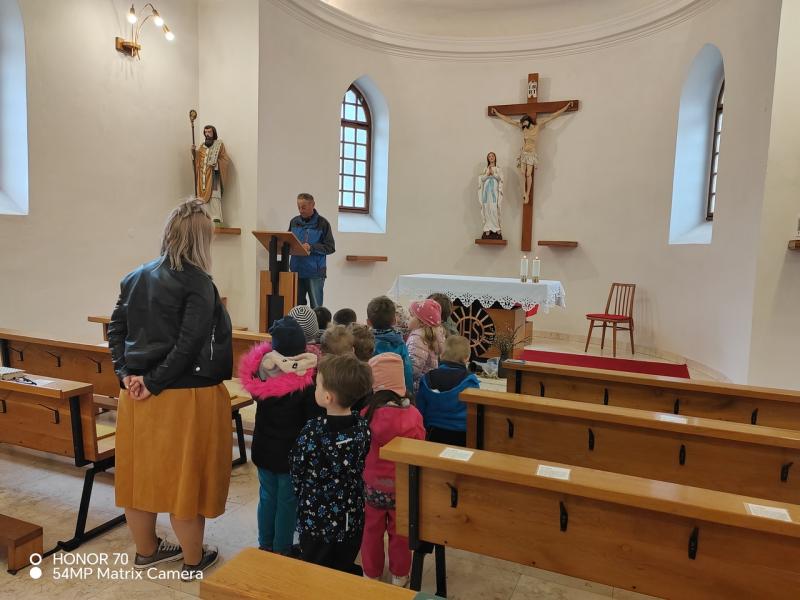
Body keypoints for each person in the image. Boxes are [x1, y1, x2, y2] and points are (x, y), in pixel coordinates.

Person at [108, 199, 232, 581]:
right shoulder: (199, 283)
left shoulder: (135, 276)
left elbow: (116, 330)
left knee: (139, 478)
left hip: (137, 395)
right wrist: (153, 381)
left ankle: (146, 551)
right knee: (185, 479)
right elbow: (189, 344)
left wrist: (127, 374)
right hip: (182, 395)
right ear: (202, 239)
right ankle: (193, 561)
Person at [237, 317, 320, 556]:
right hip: (290, 455)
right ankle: (282, 549)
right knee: (287, 502)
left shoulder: (261, 372)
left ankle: (265, 544)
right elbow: (313, 419)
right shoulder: (306, 380)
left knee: (267, 497)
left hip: (264, 449)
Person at [290, 354, 372, 574]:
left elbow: (297, 467)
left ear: (327, 397)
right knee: (342, 567)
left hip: (316, 518)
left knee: (314, 571)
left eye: (318, 384)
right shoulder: (362, 427)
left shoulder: (313, 431)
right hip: (351, 515)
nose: (315, 388)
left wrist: (300, 492)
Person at [361, 353, 425, 587]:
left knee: (371, 531)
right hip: (403, 487)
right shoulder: (414, 415)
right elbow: (420, 447)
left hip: (373, 486)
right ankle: (400, 574)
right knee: (400, 533)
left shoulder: (367, 414)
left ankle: (371, 573)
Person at [491, 103, 573, 203]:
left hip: (531, 154)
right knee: (522, 173)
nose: (523, 125)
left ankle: (528, 193)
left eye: (524, 123)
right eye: (522, 124)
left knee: (528, 174)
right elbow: (509, 120)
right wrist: (497, 113)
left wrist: (566, 107)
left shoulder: (537, 126)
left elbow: (552, 116)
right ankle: (524, 193)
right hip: (524, 153)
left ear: (528, 121)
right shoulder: (524, 128)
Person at [416, 336, 480, 447]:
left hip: (432, 434)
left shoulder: (427, 378)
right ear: (467, 358)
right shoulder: (471, 381)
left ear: (441, 355)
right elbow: (475, 414)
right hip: (463, 436)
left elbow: (420, 410)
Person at [289, 193, 335, 308]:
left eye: (303, 207)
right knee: (297, 309)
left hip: (315, 273)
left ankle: (318, 321)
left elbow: (330, 247)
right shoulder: (294, 222)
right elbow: (289, 241)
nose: (301, 210)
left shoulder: (323, 223)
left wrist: (311, 247)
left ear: (313, 205)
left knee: (316, 308)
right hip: (296, 271)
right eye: (299, 207)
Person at [367, 296, 413, 394]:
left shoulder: (366, 343)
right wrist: (409, 394)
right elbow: (407, 370)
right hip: (398, 394)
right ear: (394, 321)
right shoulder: (400, 343)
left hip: (373, 395)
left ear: (368, 322)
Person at [406, 299, 446, 394]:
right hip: (427, 386)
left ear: (422, 322)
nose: (408, 318)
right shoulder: (434, 336)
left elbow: (413, 369)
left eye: (411, 315)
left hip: (416, 389)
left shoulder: (417, 338)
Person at [192, 125, 230, 224]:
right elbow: (197, 161)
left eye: (209, 132)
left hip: (214, 175)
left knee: (214, 196)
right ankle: (206, 219)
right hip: (203, 177)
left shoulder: (219, 145)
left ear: (214, 133)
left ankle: (216, 218)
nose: (207, 134)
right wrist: (194, 152)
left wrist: (216, 163)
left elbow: (225, 160)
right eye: (206, 132)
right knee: (202, 198)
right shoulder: (202, 147)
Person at [477, 152, 504, 240]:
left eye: (492, 156)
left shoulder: (498, 169)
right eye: (489, 156)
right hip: (486, 192)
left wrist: (493, 173)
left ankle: (496, 227)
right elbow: (482, 179)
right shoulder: (485, 169)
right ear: (488, 159)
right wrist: (487, 174)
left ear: (495, 158)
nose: (491, 157)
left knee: (493, 208)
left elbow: (500, 179)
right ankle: (487, 227)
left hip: (494, 192)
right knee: (487, 208)